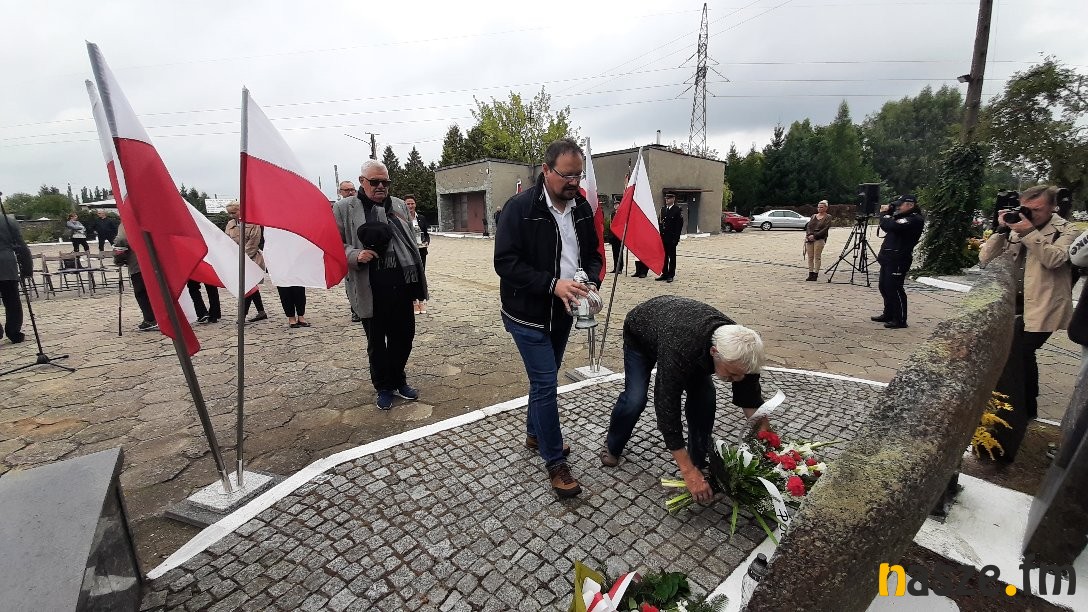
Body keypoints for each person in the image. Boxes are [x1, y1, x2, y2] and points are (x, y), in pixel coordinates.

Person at [494, 138, 604, 499]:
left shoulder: (582, 207)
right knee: (545, 383)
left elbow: (593, 255)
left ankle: (534, 433)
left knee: (545, 378)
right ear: (546, 170)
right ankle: (555, 462)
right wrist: (552, 284)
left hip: (565, 312)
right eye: (566, 175)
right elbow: (505, 263)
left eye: (578, 175)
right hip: (526, 314)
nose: (573, 182)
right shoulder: (519, 209)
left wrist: (590, 282)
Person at [600, 296, 765, 503]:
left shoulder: (743, 351)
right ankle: (613, 444)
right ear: (714, 352)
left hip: (680, 334)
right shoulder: (681, 347)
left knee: (705, 400)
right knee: (635, 398)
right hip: (641, 334)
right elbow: (666, 406)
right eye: (732, 374)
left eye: (741, 375)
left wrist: (767, 441)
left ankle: (698, 460)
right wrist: (687, 472)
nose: (737, 380)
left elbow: (750, 397)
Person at [334, 160, 428, 410]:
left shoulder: (398, 205)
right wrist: (355, 255)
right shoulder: (344, 208)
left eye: (385, 182)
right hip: (370, 287)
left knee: (404, 337)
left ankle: (398, 379)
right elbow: (334, 243)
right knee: (377, 344)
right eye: (375, 182)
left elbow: (410, 241)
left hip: (401, 285)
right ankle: (384, 387)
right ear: (362, 181)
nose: (380, 186)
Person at [980, 185, 1075, 419]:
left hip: (1044, 305)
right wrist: (1001, 230)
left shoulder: (1068, 230)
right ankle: (1019, 405)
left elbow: (1054, 259)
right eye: (1026, 208)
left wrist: (1028, 232)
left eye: (1037, 209)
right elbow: (985, 258)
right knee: (1017, 354)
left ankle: (1023, 407)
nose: (1030, 213)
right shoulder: (1017, 224)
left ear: (1053, 207)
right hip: (1014, 302)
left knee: (1020, 351)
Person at [871, 195, 924, 329]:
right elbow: (891, 224)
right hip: (888, 257)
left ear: (910, 205)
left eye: (900, 205)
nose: (898, 207)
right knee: (884, 286)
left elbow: (891, 226)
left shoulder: (914, 219)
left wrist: (884, 214)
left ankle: (900, 319)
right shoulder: (901, 216)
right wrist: (889, 213)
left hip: (899, 258)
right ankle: (888, 314)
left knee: (894, 288)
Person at [224, 201, 268, 323]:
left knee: (247, 286)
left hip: (251, 259)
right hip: (236, 259)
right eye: (229, 213)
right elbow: (227, 241)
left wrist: (243, 258)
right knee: (250, 286)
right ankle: (261, 311)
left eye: (234, 212)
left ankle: (242, 315)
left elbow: (254, 243)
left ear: (241, 210)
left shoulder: (253, 224)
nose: (231, 215)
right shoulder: (230, 225)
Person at [113, 223, 157, 331]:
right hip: (157, 262)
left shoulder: (127, 222)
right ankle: (164, 318)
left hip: (138, 263)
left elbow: (121, 241)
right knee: (157, 291)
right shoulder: (149, 219)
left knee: (141, 292)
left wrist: (118, 258)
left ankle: (150, 319)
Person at [0, 212, 32, 343]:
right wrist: (27, 268)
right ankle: (14, 332)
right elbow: (21, 246)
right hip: (7, 264)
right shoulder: (8, 221)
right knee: (12, 300)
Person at [337, 181, 364, 323]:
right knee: (351, 282)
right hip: (349, 252)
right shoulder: (339, 209)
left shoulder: (360, 206)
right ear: (340, 192)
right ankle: (355, 310)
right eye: (346, 190)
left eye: (352, 189)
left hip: (363, 250)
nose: (350, 192)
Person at [404, 194, 430, 315]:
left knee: (421, 275)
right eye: (408, 204)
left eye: (412, 203)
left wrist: (427, 242)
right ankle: (414, 301)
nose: (410, 206)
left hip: (421, 251)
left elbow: (426, 234)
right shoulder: (402, 219)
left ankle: (422, 300)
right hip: (408, 252)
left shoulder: (421, 218)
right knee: (411, 276)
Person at [804, 200, 833, 281]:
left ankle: (816, 274)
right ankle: (810, 273)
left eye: (821, 207)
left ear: (826, 208)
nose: (819, 208)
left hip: (819, 238)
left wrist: (815, 236)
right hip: (810, 238)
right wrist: (809, 235)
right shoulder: (813, 216)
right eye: (818, 207)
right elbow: (809, 226)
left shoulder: (828, 217)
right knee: (810, 256)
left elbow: (825, 228)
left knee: (817, 256)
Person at [657, 192, 683, 282]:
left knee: (672, 257)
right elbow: (660, 223)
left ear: (673, 199)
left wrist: (676, 239)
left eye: (669, 198)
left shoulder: (677, 210)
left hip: (671, 238)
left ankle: (671, 275)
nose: (667, 200)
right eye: (666, 198)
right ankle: (664, 273)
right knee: (664, 256)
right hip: (663, 237)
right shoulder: (663, 209)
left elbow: (679, 226)